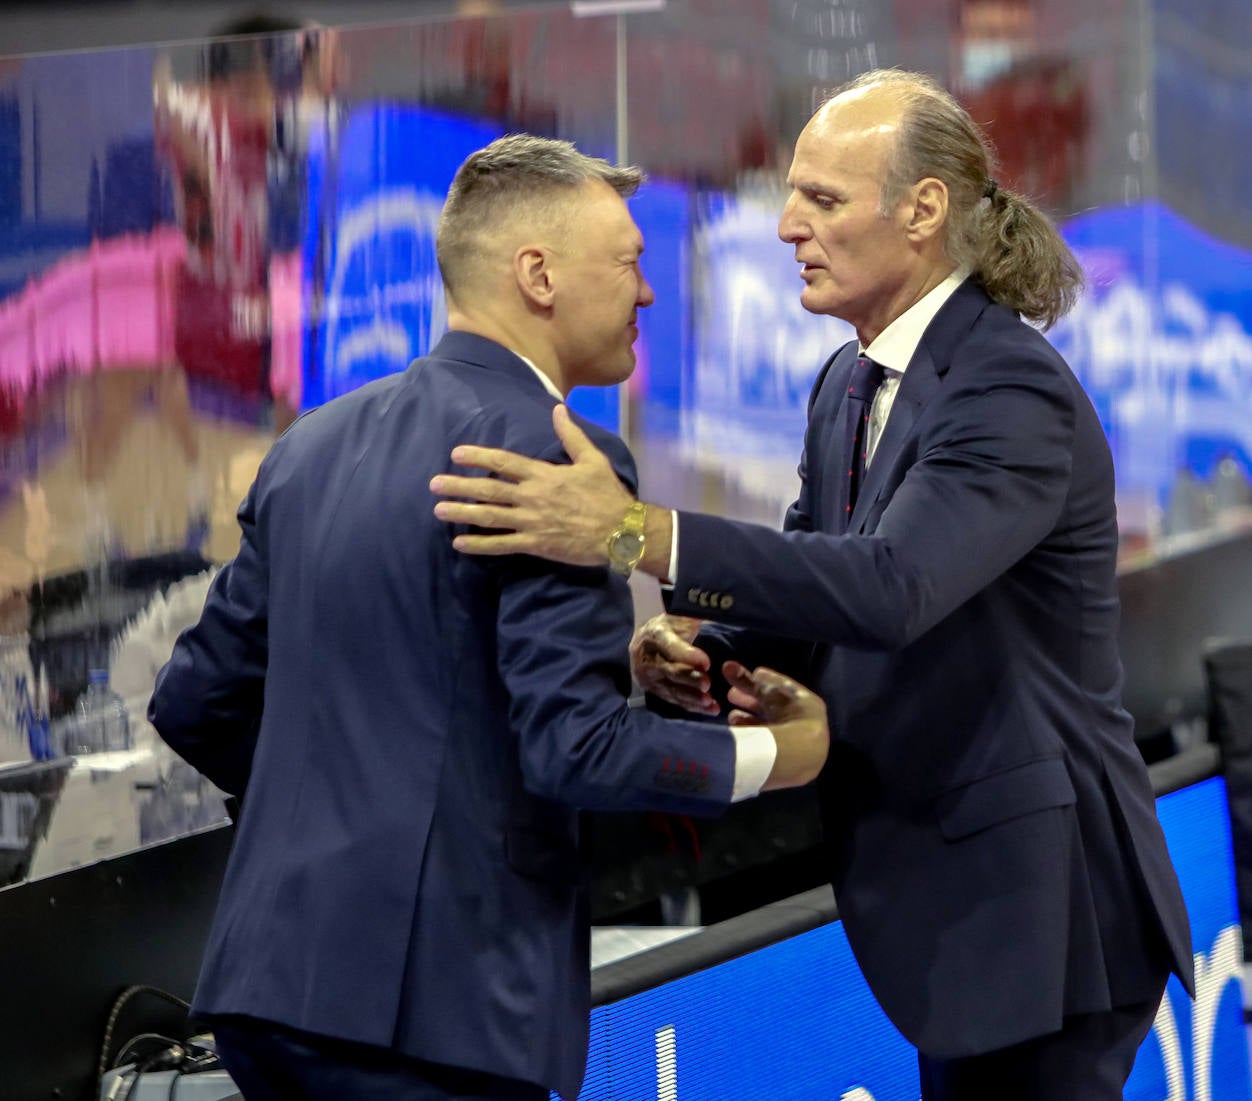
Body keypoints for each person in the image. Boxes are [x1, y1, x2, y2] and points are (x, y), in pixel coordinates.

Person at [429, 69, 1196, 1100]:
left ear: (923, 211)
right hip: (960, 904)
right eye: (791, 196)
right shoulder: (847, 381)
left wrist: (632, 534)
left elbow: (890, 587)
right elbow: (812, 582)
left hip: (1044, 911)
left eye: (824, 200)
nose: (789, 225)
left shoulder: (1008, 388)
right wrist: (707, 657)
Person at [149, 134, 829, 1101]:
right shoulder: (555, 459)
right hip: (438, 1012)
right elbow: (576, 750)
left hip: (269, 987)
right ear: (538, 275)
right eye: (630, 263)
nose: (647, 293)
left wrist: (351, 809)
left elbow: (194, 701)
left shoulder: (311, 445)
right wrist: (780, 756)